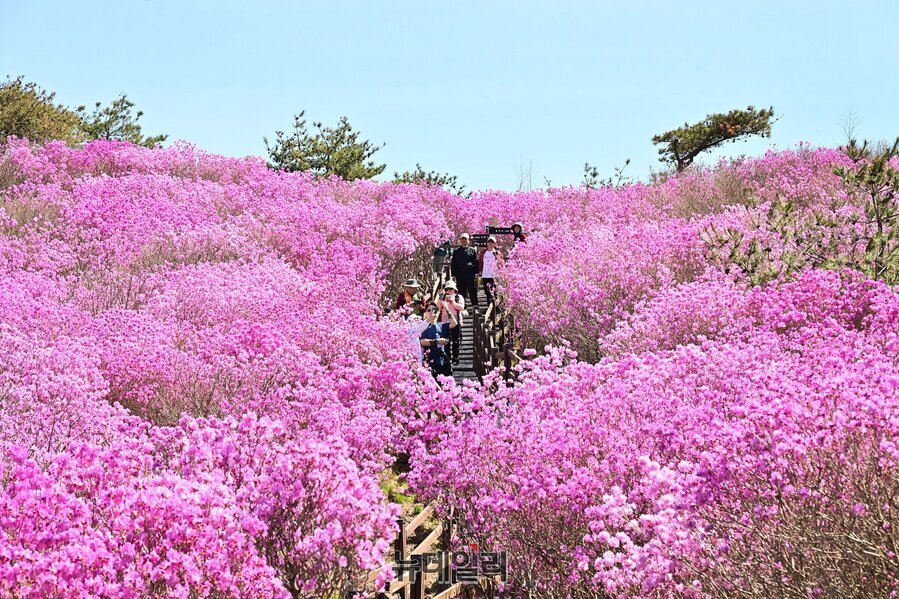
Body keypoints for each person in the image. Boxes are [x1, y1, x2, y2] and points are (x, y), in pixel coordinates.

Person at [419, 301, 458, 378]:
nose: (431, 312)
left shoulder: (441, 325)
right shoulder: (423, 327)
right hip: (428, 361)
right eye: (429, 310)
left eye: (434, 310)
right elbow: (422, 342)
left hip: (441, 361)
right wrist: (437, 341)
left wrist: (447, 310)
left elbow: (454, 323)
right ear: (425, 313)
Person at [436, 280, 465, 365]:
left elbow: (461, 307)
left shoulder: (458, 297)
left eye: (451, 289)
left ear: (454, 289)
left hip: (456, 322)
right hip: (445, 322)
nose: (449, 291)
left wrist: (452, 302)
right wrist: (440, 299)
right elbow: (438, 308)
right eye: (447, 289)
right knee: (446, 341)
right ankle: (447, 359)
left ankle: (455, 359)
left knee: (456, 341)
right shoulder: (443, 297)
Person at [450, 233, 479, 310]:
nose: (464, 241)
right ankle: (462, 308)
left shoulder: (472, 250)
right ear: (460, 240)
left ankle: (475, 306)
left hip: (470, 274)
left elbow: (475, 262)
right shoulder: (456, 251)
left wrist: (476, 273)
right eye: (462, 239)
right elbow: (453, 263)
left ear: (468, 240)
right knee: (461, 291)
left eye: (465, 239)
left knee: (472, 290)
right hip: (460, 274)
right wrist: (453, 274)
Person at [478, 236, 503, 307]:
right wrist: (479, 271)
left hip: (494, 275)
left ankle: (496, 308)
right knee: (487, 292)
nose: (490, 243)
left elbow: (501, 264)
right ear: (487, 243)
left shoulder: (497, 253)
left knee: (495, 292)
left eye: (492, 242)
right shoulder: (484, 252)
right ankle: (489, 307)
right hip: (485, 275)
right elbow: (480, 262)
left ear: (495, 244)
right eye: (489, 241)